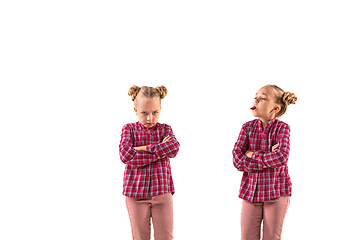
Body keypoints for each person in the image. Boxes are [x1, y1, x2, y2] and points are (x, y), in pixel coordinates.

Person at [233, 84, 297, 240]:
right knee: (247, 236)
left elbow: (281, 157)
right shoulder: (247, 128)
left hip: (276, 192)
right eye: (256, 97)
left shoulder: (282, 129)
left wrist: (252, 154)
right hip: (250, 193)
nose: (256, 100)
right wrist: (266, 159)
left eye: (262, 98)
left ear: (275, 108)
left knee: (271, 237)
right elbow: (237, 160)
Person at [119, 85, 180, 240]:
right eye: (144, 113)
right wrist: (159, 153)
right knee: (139, 237)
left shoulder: (166, 130)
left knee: (166, 237)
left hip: (162, 191)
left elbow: (173, 149)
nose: (149, 118)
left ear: (160, 108)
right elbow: (126, 155)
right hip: (135, 193)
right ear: (135, 110)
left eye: (155, 112)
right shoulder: (129, 129)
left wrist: (143, 148)